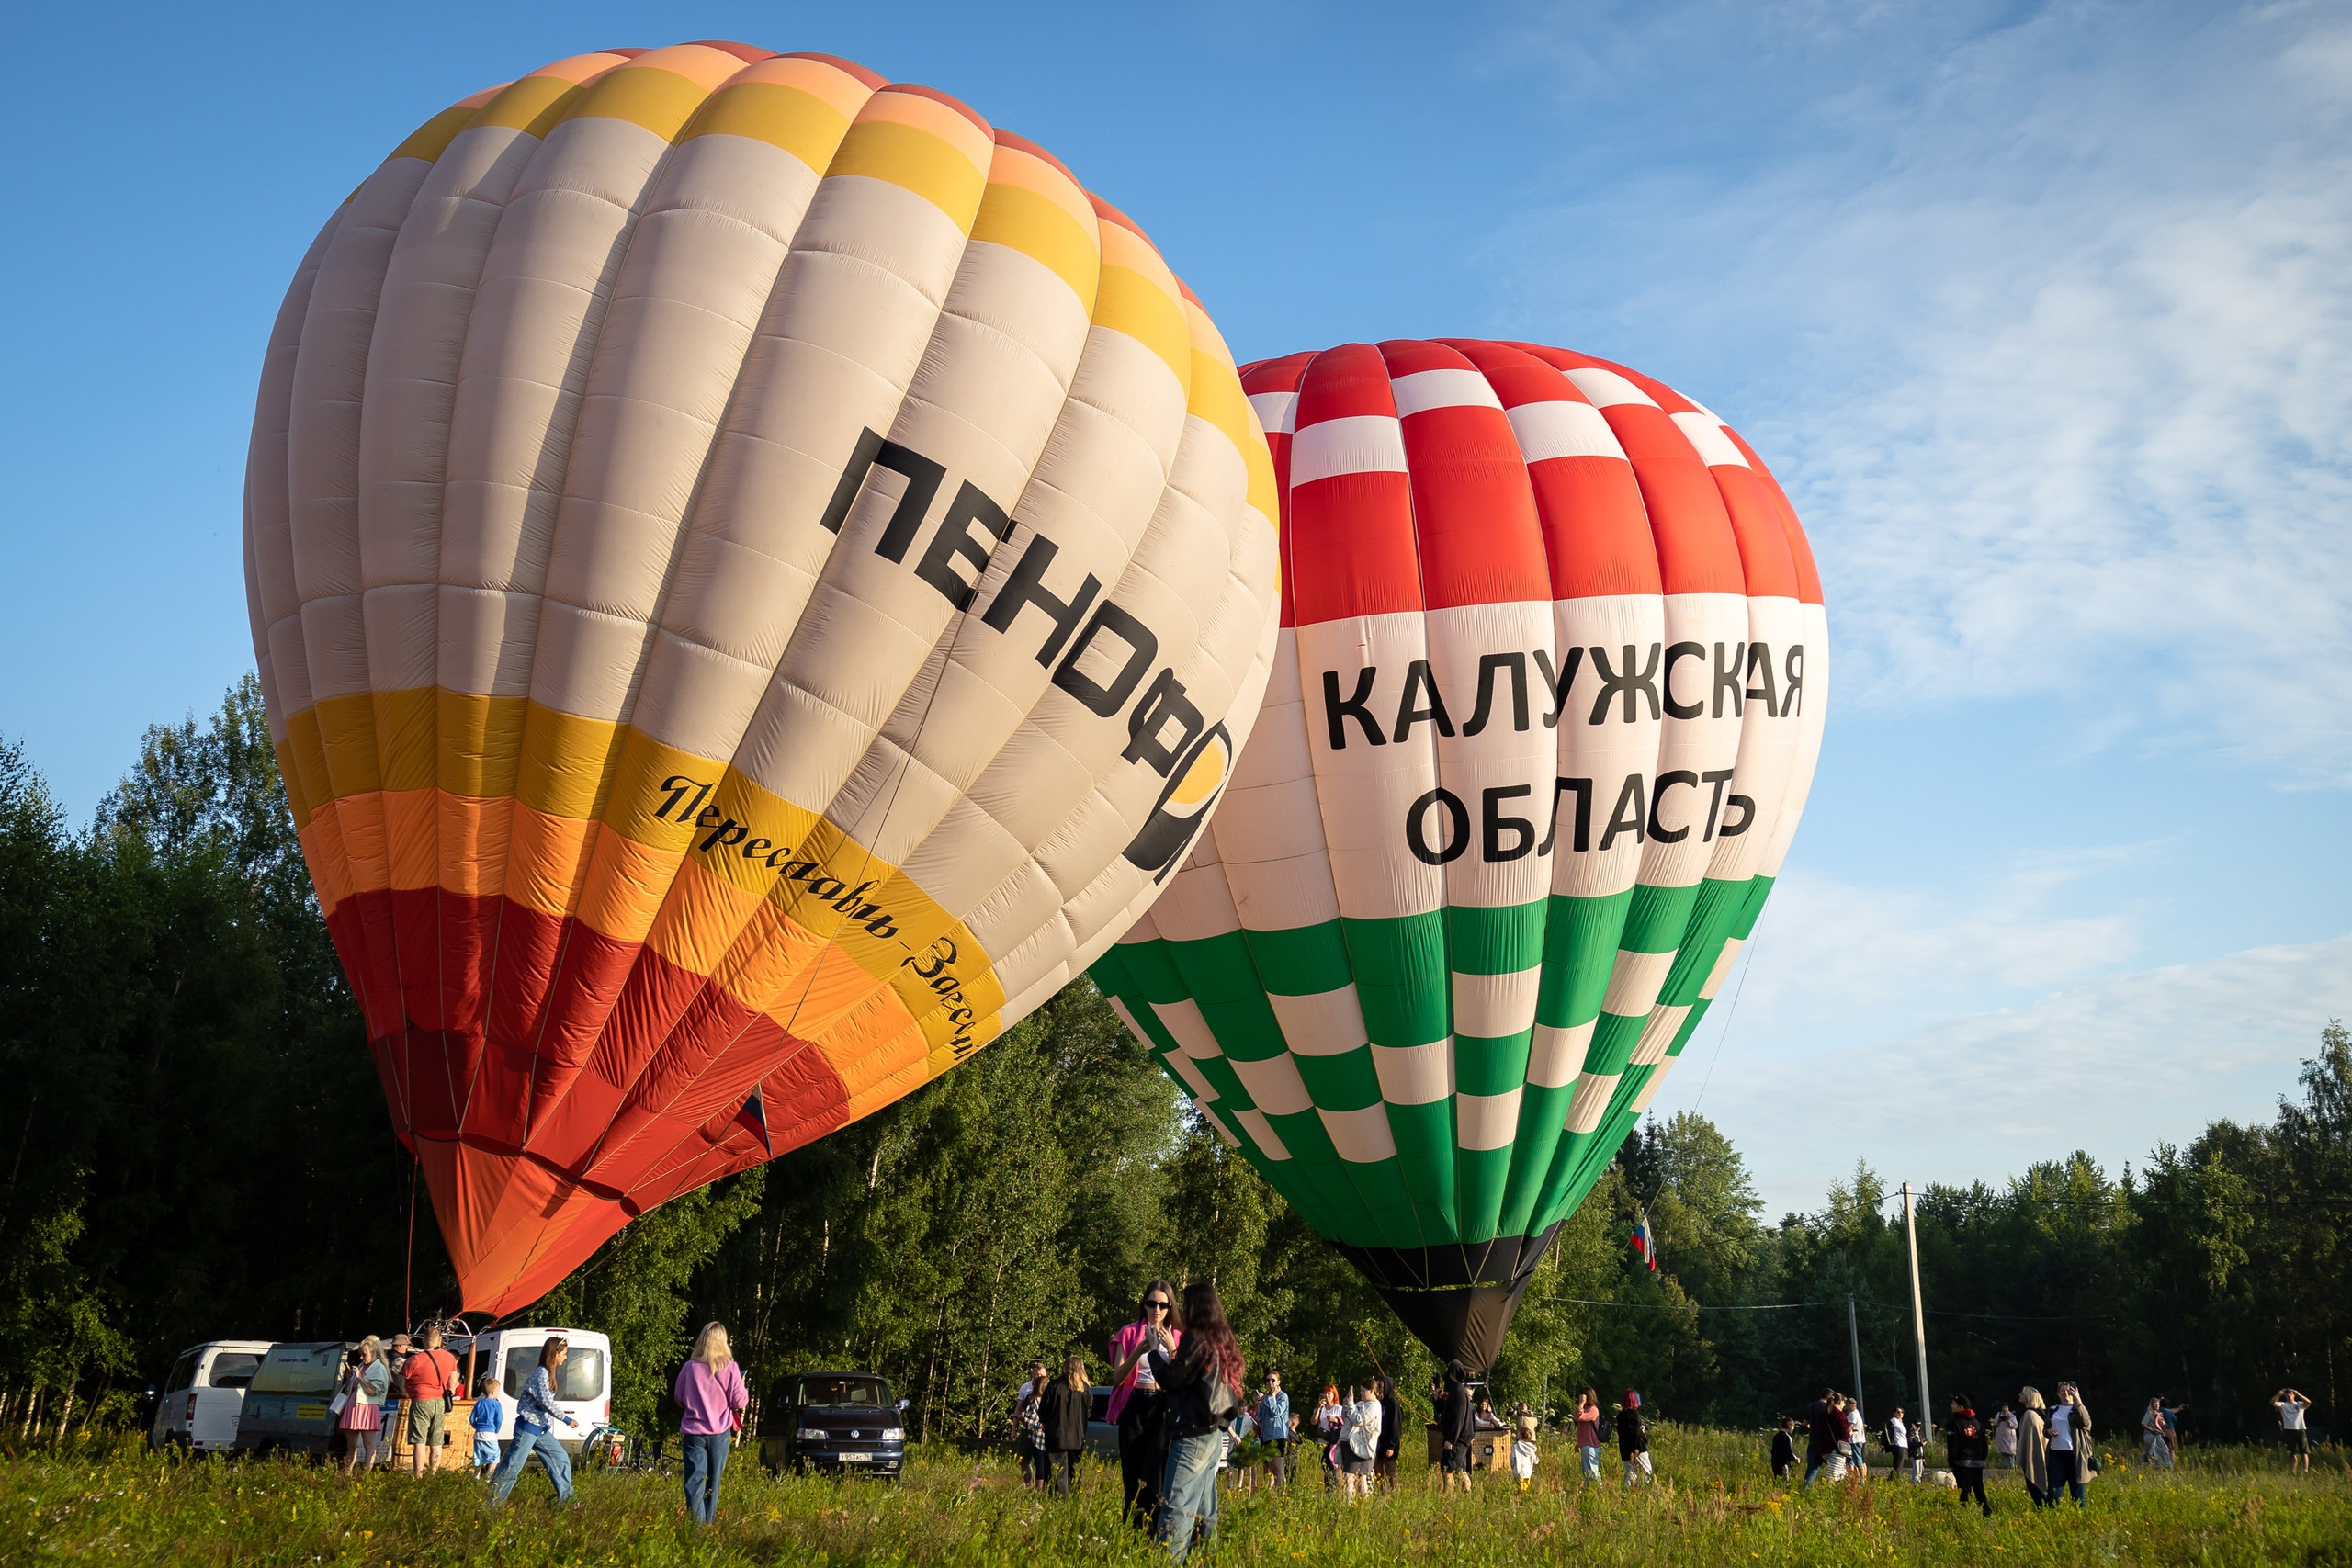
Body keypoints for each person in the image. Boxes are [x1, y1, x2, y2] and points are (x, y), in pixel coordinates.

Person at [1149, 1280, 1243, 1564]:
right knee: (1204, 1510)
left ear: (1195, 1306)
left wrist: (1154, 1353)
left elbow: (1173, 1378)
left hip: (1192, 1433)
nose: (1181, 1309)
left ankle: (1168, 1561)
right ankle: (1202, 1560)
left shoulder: (1196, 1338)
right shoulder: (1220, 1340)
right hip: (1214, 1435)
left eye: (1185, 1303)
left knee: (1176, 1507)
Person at [1107, 1280, 1182, 1529]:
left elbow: (1183, 1377)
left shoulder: (1177, 1337)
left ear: (1170, 1307)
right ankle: (1131, 1530)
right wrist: (1139, 1351)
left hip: (1162, 1406)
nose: (1156, 1310)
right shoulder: (1128, 1333)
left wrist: (1172, 1349)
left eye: (1163, 1305)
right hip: (1134, 1404)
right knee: (1132, 1474)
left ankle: (1154, 1531)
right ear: (1144, 1304)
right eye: (1152, 1303)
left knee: (1156, 1475)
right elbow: (1118, 1378)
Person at [492, 1338, 584, 1506]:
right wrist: (566, 1419)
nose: (565, 1357)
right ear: (554, 1354)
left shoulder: (548, 1373)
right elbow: (545, 1402)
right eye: (564, 1354)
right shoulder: (541, 1373)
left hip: (540, 1429)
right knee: (513, 1466)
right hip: (528, 1427)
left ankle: (568, 1501)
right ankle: (491, 1503)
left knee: (560, 1458)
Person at [674, 1322, 750, 1526]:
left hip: (693, 1433)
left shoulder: (689, 1368)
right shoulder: (731, 1368)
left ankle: (696, 1528)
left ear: (702, 1340)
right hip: (720, 1434)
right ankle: (708, 1525)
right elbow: (739, 1402)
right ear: (723, 1342)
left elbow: (679, 1398)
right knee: (713, 1482)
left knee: (694, 1481)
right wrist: (742, 1386)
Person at [401, 1325, 460, 1477]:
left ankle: (418, 1475)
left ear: (423, 1340)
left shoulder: (414, 1360)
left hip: (420, 1400)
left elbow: (404, 1379)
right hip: (439, 1401)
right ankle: (433, 1474)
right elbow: (452, 1382)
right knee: (436, 1442)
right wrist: (448, 1395)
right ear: (439, 1340)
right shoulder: (450, 1358)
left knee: (419, 1441)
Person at [334, 1337, 390, 1475]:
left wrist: (360, 1378)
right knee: (351, 1445)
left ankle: (365, 1475)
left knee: (368, 1444)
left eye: (364, 1354)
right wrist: (349, 1379)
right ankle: (347, 1473)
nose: (361, 1357)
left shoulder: (379, 1368)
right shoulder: (361, 1366)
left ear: (374, 1353)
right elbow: (351, 1388)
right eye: (361, 1354)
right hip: (353, 1407)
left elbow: (375, 1391)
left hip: (367, 1408)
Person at [1041, 1356, 1091, 1498]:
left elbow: (1043, 1408)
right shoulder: (1085, 1388)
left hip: (1056, 1435)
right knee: (1074, 1470)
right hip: (1077, 1436)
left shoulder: (1054, 1385)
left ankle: (1059, 1500)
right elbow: (1088, 1411)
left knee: (1057, 1472)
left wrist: (1045, 1422)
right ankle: (1074, 1498)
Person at [1946, 1394, 1991, 1517]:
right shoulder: (1977, 1422)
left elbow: (1952, 1444)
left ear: (1961, 1407)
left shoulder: (1955, 1423)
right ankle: (1986, 1512)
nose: (1951, 1406)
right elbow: (1984, 1443)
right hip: (1977, 1462)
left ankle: (1964, 1514)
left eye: (1953, 1404)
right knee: (1979, 1488)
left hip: (1961, 1462)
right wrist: (1982, 1457)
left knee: (1964, 1490)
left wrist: (1951, 1461)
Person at [2048, 1382, 2091, 1507]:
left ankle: (2081, 1514)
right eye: (2062, 1390)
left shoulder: (2077, 1409)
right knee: (2055, 1490)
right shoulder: (2053, 1410)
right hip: (2056, 1453)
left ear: (2074, 1393)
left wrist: (2079, 1401)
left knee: (2077, 1491)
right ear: (2058, 1393)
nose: (2065, 1393)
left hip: (2074, 1454)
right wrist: (2048, 1431)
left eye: (2068, 1391)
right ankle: (2053, 1513)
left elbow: (2086, 1422)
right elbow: (2045, 1427)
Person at [1436, 1361, 1477, 1493]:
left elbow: (1458, 1418)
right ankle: (1467, 1496)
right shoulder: (1455, 1391)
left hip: (1457, 1439)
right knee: (1460, 1470)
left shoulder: (1458, 1392)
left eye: (1448, 1368)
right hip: (1459, 1438)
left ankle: (1449, 1497)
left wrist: (1451, 1439)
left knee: (1447, 1469)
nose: (1445, 1370)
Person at [1339, 1382, 1381, 1500]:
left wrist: (1351, 1404)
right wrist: (1346, 1405)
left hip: (1362, 1447)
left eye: (1363, 1390)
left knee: (1350, 1477)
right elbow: (1347, 1418)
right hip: (1353, 1445)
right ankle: (1360, 1504)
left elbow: (1358, 1420)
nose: (1360, 1393)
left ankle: (1350, 1503)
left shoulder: (1374, 1406)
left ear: (1371, 1391)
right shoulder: (1361, 1404)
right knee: (1360, 1477)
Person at [1252, 1371, 1291, 1491]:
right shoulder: (1265, 1398)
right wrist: (1258, 1405)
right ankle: (1269, 1494)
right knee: (1268, 1469)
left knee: (1278, 1469)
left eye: (1273, 1380)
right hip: (1265, 1436)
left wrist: (1273, 1397)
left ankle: (1281, 1495)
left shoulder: (1282, 1396)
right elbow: (1259, 1418)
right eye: (1267, 1380)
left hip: (1278, 1436)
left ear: (1278, 1382)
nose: (1270, 1382)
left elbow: (1276, 1412)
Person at [2016, 1386, 2053, 1507]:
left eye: (2022, 1393)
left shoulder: (2030, 1415)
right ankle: (2047, 1507)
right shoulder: (2040, 1414)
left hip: (2034, 1455)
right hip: (2041, 1453)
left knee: (2033, 1484)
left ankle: (2044, 1507)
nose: (2020, 1395)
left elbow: (2032, 1440)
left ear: (2029, 1397)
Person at [1014, 1360, 1049, 1486]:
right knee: (1025, 1459)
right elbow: (1018, 1408)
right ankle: (1029, 1484)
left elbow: (1032, 1420)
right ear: (1032, 1374)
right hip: (1027, 1431)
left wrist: (1024, 1420)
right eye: (1036, 1374)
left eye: (1041, 1375)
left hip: (1039, 1433)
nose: (1038, 1377)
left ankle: (1039, 1490)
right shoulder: (1025, 1388)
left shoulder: (1046, 1392)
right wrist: (1014, 1428)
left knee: (1041, 1463)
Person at [1803, 1391, 1846, 1488]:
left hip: (1813, 1442)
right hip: (1827, 1445)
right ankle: (1834, 1490)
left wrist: (1813, 1428)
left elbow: (1805, 1423)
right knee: (1837, 1470)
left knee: (1812, 1469)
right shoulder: (1829, 1409)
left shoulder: (1812, 1406)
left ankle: (1806, 1490)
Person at [468, 1377, 505, 1479]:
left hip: (478, 1434)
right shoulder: (496, 1404)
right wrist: (496, 1429)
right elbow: (498, 1420)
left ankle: (476, 1476)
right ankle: (488, 1478)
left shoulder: (478, 1403)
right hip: (490, 1434)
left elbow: (472, 1419)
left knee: (478, 1456)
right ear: (493, 1392)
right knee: (495, 1456)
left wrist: (477, 1427)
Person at [1311, 1383, 1344, 1489]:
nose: (1326, 1396)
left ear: (1334, 1395)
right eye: (1324, 1393)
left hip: (1334, 1442)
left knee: (1333, 1468)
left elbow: (1345, 1423)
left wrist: (1335, 1420)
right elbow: (1313, 1421)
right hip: (1323, 1441)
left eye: (1329, 1393)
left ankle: (1334, 1488)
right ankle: (1328, 1489)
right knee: (1325, 1467)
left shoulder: (1338, 1409)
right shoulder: (1321, 1409)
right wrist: (1318, 1407)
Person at [1616, 1391, 1652, 1485]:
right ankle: (1644, 1489)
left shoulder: (1621, 1416)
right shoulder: (1633, 1414)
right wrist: (1642, 1431)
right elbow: (1635, 1433)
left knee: (1630, 1475)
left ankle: (1627, 1492)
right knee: (1647, 1471)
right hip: (1638, 1449)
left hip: (1625, 1450)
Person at [2274, 1388, 2312, 1474]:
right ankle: (2293, 1471)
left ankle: (2305, 1470)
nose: (2288, 1395)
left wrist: (2298, 1394)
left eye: (2290, 1394)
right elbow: (2273, 1403)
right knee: (2292, 1452)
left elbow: (2308, 1402)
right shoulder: (2283, 1405)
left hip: (2300, 1429)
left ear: (2293, 1395)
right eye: (2287, 1394)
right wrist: (2279, 1394)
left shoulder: (2299, 1405)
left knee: (2304, 1451)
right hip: (2289, 1430)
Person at [1374, 1375, 1401, 1490]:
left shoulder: (1392, 1403)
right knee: (1377, 1470)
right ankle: (1382, 1493)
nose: (1378, 1390)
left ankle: (1395, 1493)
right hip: (1378, 1442)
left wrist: (1392, 1445)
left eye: (1380, 1386)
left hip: (1389, 1444)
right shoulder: (1377, 1403)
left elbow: (1396, 1426)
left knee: (1390, 1470)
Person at [1574, 1389, 1604, 1483]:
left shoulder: (1593, 1410)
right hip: (1586, 1445)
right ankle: (1590, 1489)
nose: (1579, 1398)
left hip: (1591, 1446)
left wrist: (1581, 1403)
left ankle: (1597, 1489)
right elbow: (1582, 1429)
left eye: (1581, 1396)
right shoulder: (1586, 1410)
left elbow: (1578, 1417)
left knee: (1592, 1473)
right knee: (1587, 1473)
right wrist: (1578, 1444)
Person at [1510, 1404, 1540, 1490]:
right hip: (1527, 1473)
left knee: (1518, 1490)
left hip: (1518, 1472)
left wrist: (1513, 1468)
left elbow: (1512, 1459)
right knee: (1525, 1490)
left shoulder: (1516, 1447)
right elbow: (1536, 1461)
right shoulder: (1532, 1448)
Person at [2141, 1397, 2175, 1469]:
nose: (2157, 1405)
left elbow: (2162, 1424)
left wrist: (2163, 1424)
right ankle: (2148, 1465)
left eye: (2158, 1404)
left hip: (2158, 1434)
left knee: (2164, 1449)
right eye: (2155, 1404)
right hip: (2150, 1434)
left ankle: (2164, 1465)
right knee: (2151, 1450)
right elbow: (2143, 1423)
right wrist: (2152, 1430)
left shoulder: (2159, 1414)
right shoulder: (2149, 1413)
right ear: (2152, 1404)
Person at [1844, 1393, 1868, 1480]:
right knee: (1853, 1460)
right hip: (1858, 1439)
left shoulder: (1852, 1415)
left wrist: (1844, 1433)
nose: (1845, 1405)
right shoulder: (1857, 1413)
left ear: (1851, 1405)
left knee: (1857, 1460)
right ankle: (1856, 1479)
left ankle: (1861, 1479)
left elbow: (1849, 1427)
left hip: (1854, 1440)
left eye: (1846, 1404)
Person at [1883, 1407, 1908, 1483]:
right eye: (1898, 1412)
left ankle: (1890, 1480)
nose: (1900, 1413)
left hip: (1903, 1445)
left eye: (1902, 1412)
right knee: (1898, 1466)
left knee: (1899, 1465)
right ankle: (1897, 1481)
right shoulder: (1894, 1420)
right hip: (1898, 1445)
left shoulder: (1901, 1423)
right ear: (1895, 1413)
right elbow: (1887, 1430)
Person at [1991, 1403, 2018, 1469]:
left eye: (2006, 1407)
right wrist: (2000, 1420)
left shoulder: (2012, 1416)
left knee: (2011, 1451)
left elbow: (2015, 1425)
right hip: (2002, 1435)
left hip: (2010, 1436)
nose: (2004, 1409)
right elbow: (1994, 1423)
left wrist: (2008, 1421)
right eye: (2003, 1407)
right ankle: (2005, 1465)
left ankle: (2012, 1466)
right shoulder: (1999, 1414)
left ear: (2008, 1408)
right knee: (2004, 1451)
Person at [1770, 1416, 1796, 1480]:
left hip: (1775, 1462)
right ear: (1790, 1426)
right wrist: (1795, 1459)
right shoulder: (1787, 1437)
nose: (1793, 1429)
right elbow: (1789, 1452)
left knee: (1777, 1479)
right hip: (1784, 1463)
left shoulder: (1776, 1436)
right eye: (1793, 1427)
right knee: (1785, 1481)